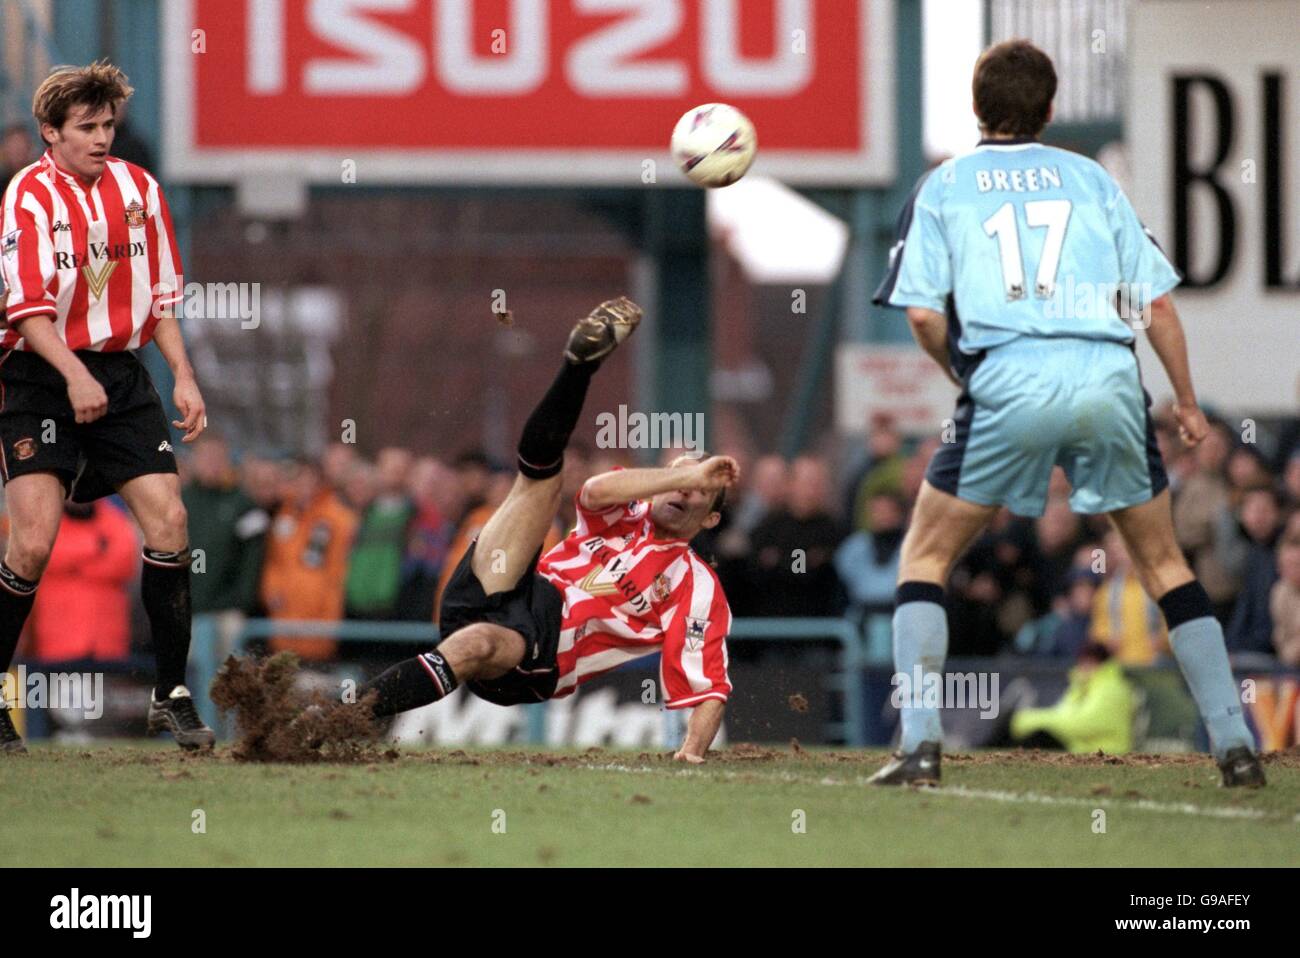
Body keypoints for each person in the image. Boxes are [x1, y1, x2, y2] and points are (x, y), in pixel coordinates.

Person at [868, 40, 1264, 787]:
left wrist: (968, 374)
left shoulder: (944, 185)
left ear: (976, 108)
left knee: (924, 558)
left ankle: (919, 744)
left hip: (1007, 377)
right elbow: (1156, 306)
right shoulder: (1092, 180)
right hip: (1109, 377)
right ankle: (1234, 744)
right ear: (1049, 110)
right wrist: (1185, 401)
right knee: (1164, 563)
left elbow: (921, 316)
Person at [359, 298, 739, 762]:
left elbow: (709, 686)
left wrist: (693, 752)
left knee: (475, 644)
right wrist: (687, 473)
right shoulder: (628, 511)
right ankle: (579, 366)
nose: (684, 490)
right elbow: (597, 491)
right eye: (677, 479)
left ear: (713, 518)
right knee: (542, 475)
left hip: (545, 649)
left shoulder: (696, 585)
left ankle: (346, 717)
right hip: (513, 583)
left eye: (702, 492)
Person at [0, 62, 213, 753]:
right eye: (86, 128)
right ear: (50, 133)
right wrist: (71, 376)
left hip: (118, 376)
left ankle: (171, 692)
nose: (100, 139)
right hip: (37, 375)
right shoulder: (26, 197)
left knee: (171, 520)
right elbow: (27, 313)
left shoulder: (139, 190)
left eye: (108, 126)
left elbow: (160, 301)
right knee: (32, 542)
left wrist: (183, 375)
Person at [1008, 642, 1136, 754]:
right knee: (1023, 735)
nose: (1084, 668)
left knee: (1038, 736)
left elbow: (1083, 724)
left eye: (1090, 663)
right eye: (1083, 663)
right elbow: (1062, 715)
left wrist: (1026, 720)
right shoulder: (1080, 687)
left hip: (1104, 752)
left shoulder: (1113, 688)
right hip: (1079, 747)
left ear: (1102, 664)